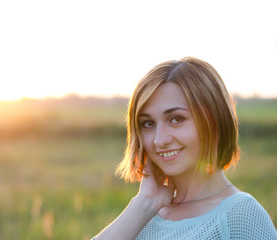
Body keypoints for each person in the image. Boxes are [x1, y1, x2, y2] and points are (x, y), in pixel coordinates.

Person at [92, 57, 277, 240]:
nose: (159, 140)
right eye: (148, 123)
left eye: (176, 119)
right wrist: (144, 204)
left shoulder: (242, 217)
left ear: (214, 121)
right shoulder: (143, 214)